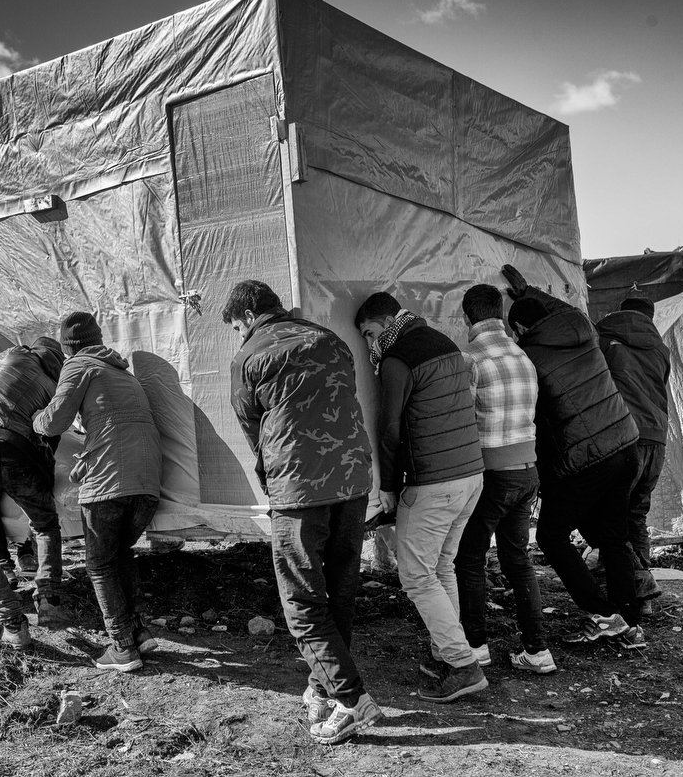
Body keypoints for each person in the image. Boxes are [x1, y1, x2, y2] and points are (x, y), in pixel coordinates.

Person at [222, 280, 380, 745]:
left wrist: (271, 482)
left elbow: (252, 428)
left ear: (248, 316)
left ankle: (352, 700)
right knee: (340, 588)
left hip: (299, 490)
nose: (237, 334)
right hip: (353, 481)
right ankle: (321, 687)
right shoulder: (329, 339)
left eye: (235, 326)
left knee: (302, 601)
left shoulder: (248, 356)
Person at [501, 265, 646, 648]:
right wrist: (527, 289)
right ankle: (628, 621)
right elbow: (558, 308)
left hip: (588, 456)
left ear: (518, 331)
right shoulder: (580, 326)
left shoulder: (528, 358)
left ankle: (601, 614)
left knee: (551, 535)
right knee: (614, 537)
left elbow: (534, 418)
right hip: (625, 443)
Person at [354, 292, 487, 703]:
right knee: (441, 566)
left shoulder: (398, 359)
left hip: (434, 482)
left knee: (415, 574)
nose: (369, 345)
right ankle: (446, 654)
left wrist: (389, 486)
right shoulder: (444, 343)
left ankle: (462, 665)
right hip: (470, 475)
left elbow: (389, 429)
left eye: (370, 333)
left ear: (386, 321)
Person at [34, 313, 163, 673]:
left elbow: (54, 422)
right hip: (147, 482)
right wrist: (87, 461)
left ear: (67, 347)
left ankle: (122, 646)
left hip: (111, 485)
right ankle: (138, 632)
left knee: (99, 564)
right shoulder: (121, 372)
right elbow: (115, 430)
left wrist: (35, 418)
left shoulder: (78, 366)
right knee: (120, 555)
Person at [453, 284, 555, 674]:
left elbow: (463, 420)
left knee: (470, 557)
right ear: (501, 314)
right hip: (528, 472)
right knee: (517, 559)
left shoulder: (471, 359)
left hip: (492, 474)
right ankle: (537, 650)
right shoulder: (523, 356)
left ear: (467, 317)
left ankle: (476, 646)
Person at [0, 338, 67, 649]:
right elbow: (50, 439)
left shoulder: (17, 354)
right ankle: (48, 598)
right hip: (22, 453)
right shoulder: (58, 386)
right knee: (45, 525)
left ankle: (13, 625)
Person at [596, 296, 671, 608]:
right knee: (636, 515)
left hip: (626, 438)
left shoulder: (606, 339)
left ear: (619, 311)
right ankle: (639, 598)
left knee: (609, 517)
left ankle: (637, 581)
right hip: (658, 439)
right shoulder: (661, 349)